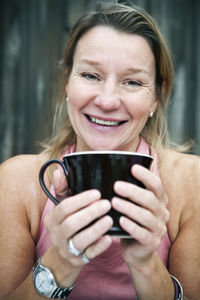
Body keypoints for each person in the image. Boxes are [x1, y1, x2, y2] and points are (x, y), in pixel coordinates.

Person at [0, 1, 200, 299]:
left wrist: (146, 264)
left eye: (132, 82)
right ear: (67, 81)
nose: (107, 101)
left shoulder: (191, 184)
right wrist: (62, 261)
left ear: (157, 96)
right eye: (91, 76)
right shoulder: (17, 183)